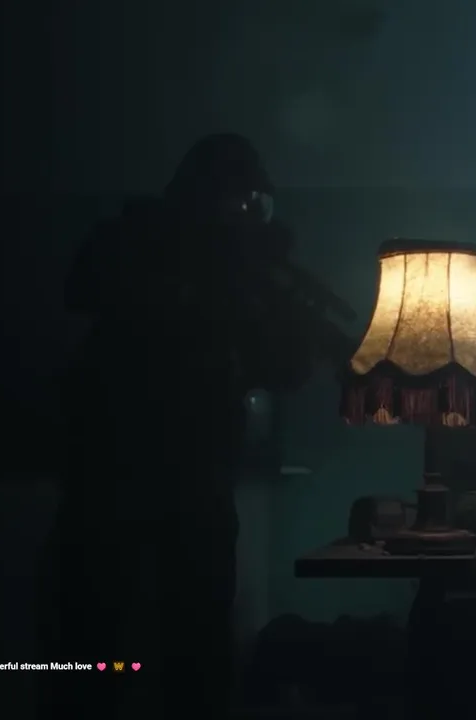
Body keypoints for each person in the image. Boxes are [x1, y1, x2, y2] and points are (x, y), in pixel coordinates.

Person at [40, 134, 342, 720]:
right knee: (94, 641)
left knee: (196, 641)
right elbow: (88, 290)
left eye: (254, 204)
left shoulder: (244, 271)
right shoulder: (139, 242)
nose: (245, 214)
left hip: (194, 477)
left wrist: (279, 317)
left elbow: (280, 368)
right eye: (236, 201)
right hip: (114, 472)